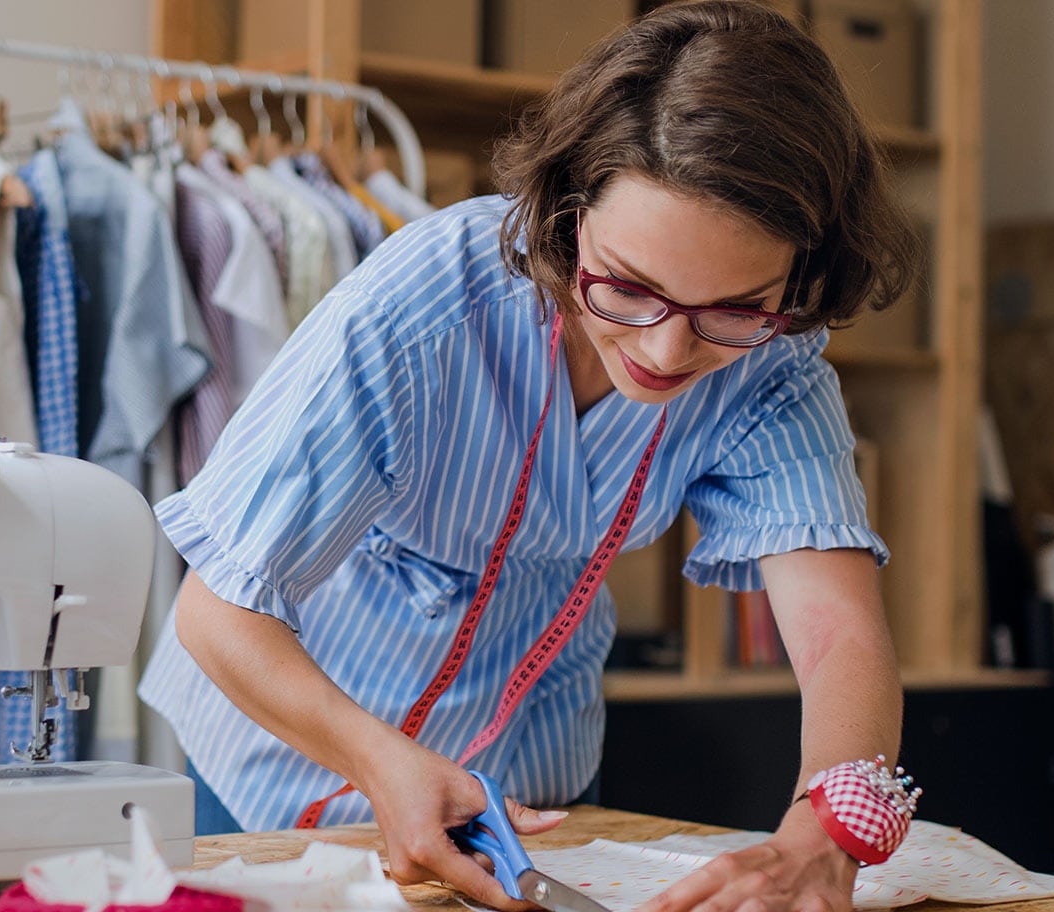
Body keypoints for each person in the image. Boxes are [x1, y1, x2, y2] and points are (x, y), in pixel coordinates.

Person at [133, 3, 921, 909]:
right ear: (567, 213)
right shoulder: (431, 303)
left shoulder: (773, 366)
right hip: (273, 763)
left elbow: (839, 637)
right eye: (629, 288)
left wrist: (828, 833)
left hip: (530, 789)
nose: (667, 354)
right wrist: (380, 763)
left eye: (734, 309)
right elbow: (216, 610)